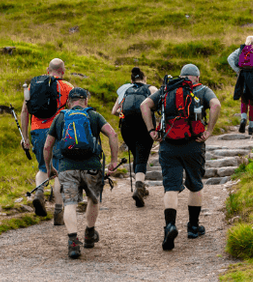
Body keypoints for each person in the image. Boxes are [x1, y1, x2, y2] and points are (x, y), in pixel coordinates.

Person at [139, 64, 221, 251]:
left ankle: (170, 225)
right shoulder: (202, 90)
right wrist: (209, 130)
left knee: (171, 187)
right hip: (194, 143)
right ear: (197, 77)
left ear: (181, 76)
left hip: (168, 144)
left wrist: (152, 130)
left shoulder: (166, 89)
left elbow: (144, 105)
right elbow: (216, 104)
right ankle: (193, 227)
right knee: (195, 184)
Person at [43, 88, 120, 260]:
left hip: (67, 168)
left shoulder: (61, 117)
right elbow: (112, 134)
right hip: (92, 166)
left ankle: (72, 242)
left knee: (70, 203)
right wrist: (114, 160)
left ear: (69, 102)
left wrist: (49, 168)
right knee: (93, 199)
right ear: (85, 100)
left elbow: (47, 146)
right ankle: (89, 234)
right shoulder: (94, 116)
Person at [21, 59, 73, 225]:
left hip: (37, 131)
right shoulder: (68, 87)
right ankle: (58, 211)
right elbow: (73, 113)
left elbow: (24, 111)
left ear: (47, 70)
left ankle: (39, 192)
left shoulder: (34, 86)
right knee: (59, 169)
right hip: (59, 131)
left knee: (43, 167)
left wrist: (25, 137)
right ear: (63, 71)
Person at [112, 68, 156, 207]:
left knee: (136, 153)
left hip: (127, 127)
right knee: (142, 155)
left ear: (131, 80)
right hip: (145, 124)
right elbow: (159, 106)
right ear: (145, 78)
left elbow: (115, 111)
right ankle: (139, 186)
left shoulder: (126, 89)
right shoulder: (151, 89)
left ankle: (140, 184)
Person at [227, 36, 253, 135]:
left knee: (244, 100)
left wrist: (238, 70)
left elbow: (229, 58)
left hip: (242, 76)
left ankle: (243, 119)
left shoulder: (240, 50)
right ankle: (251, 127)